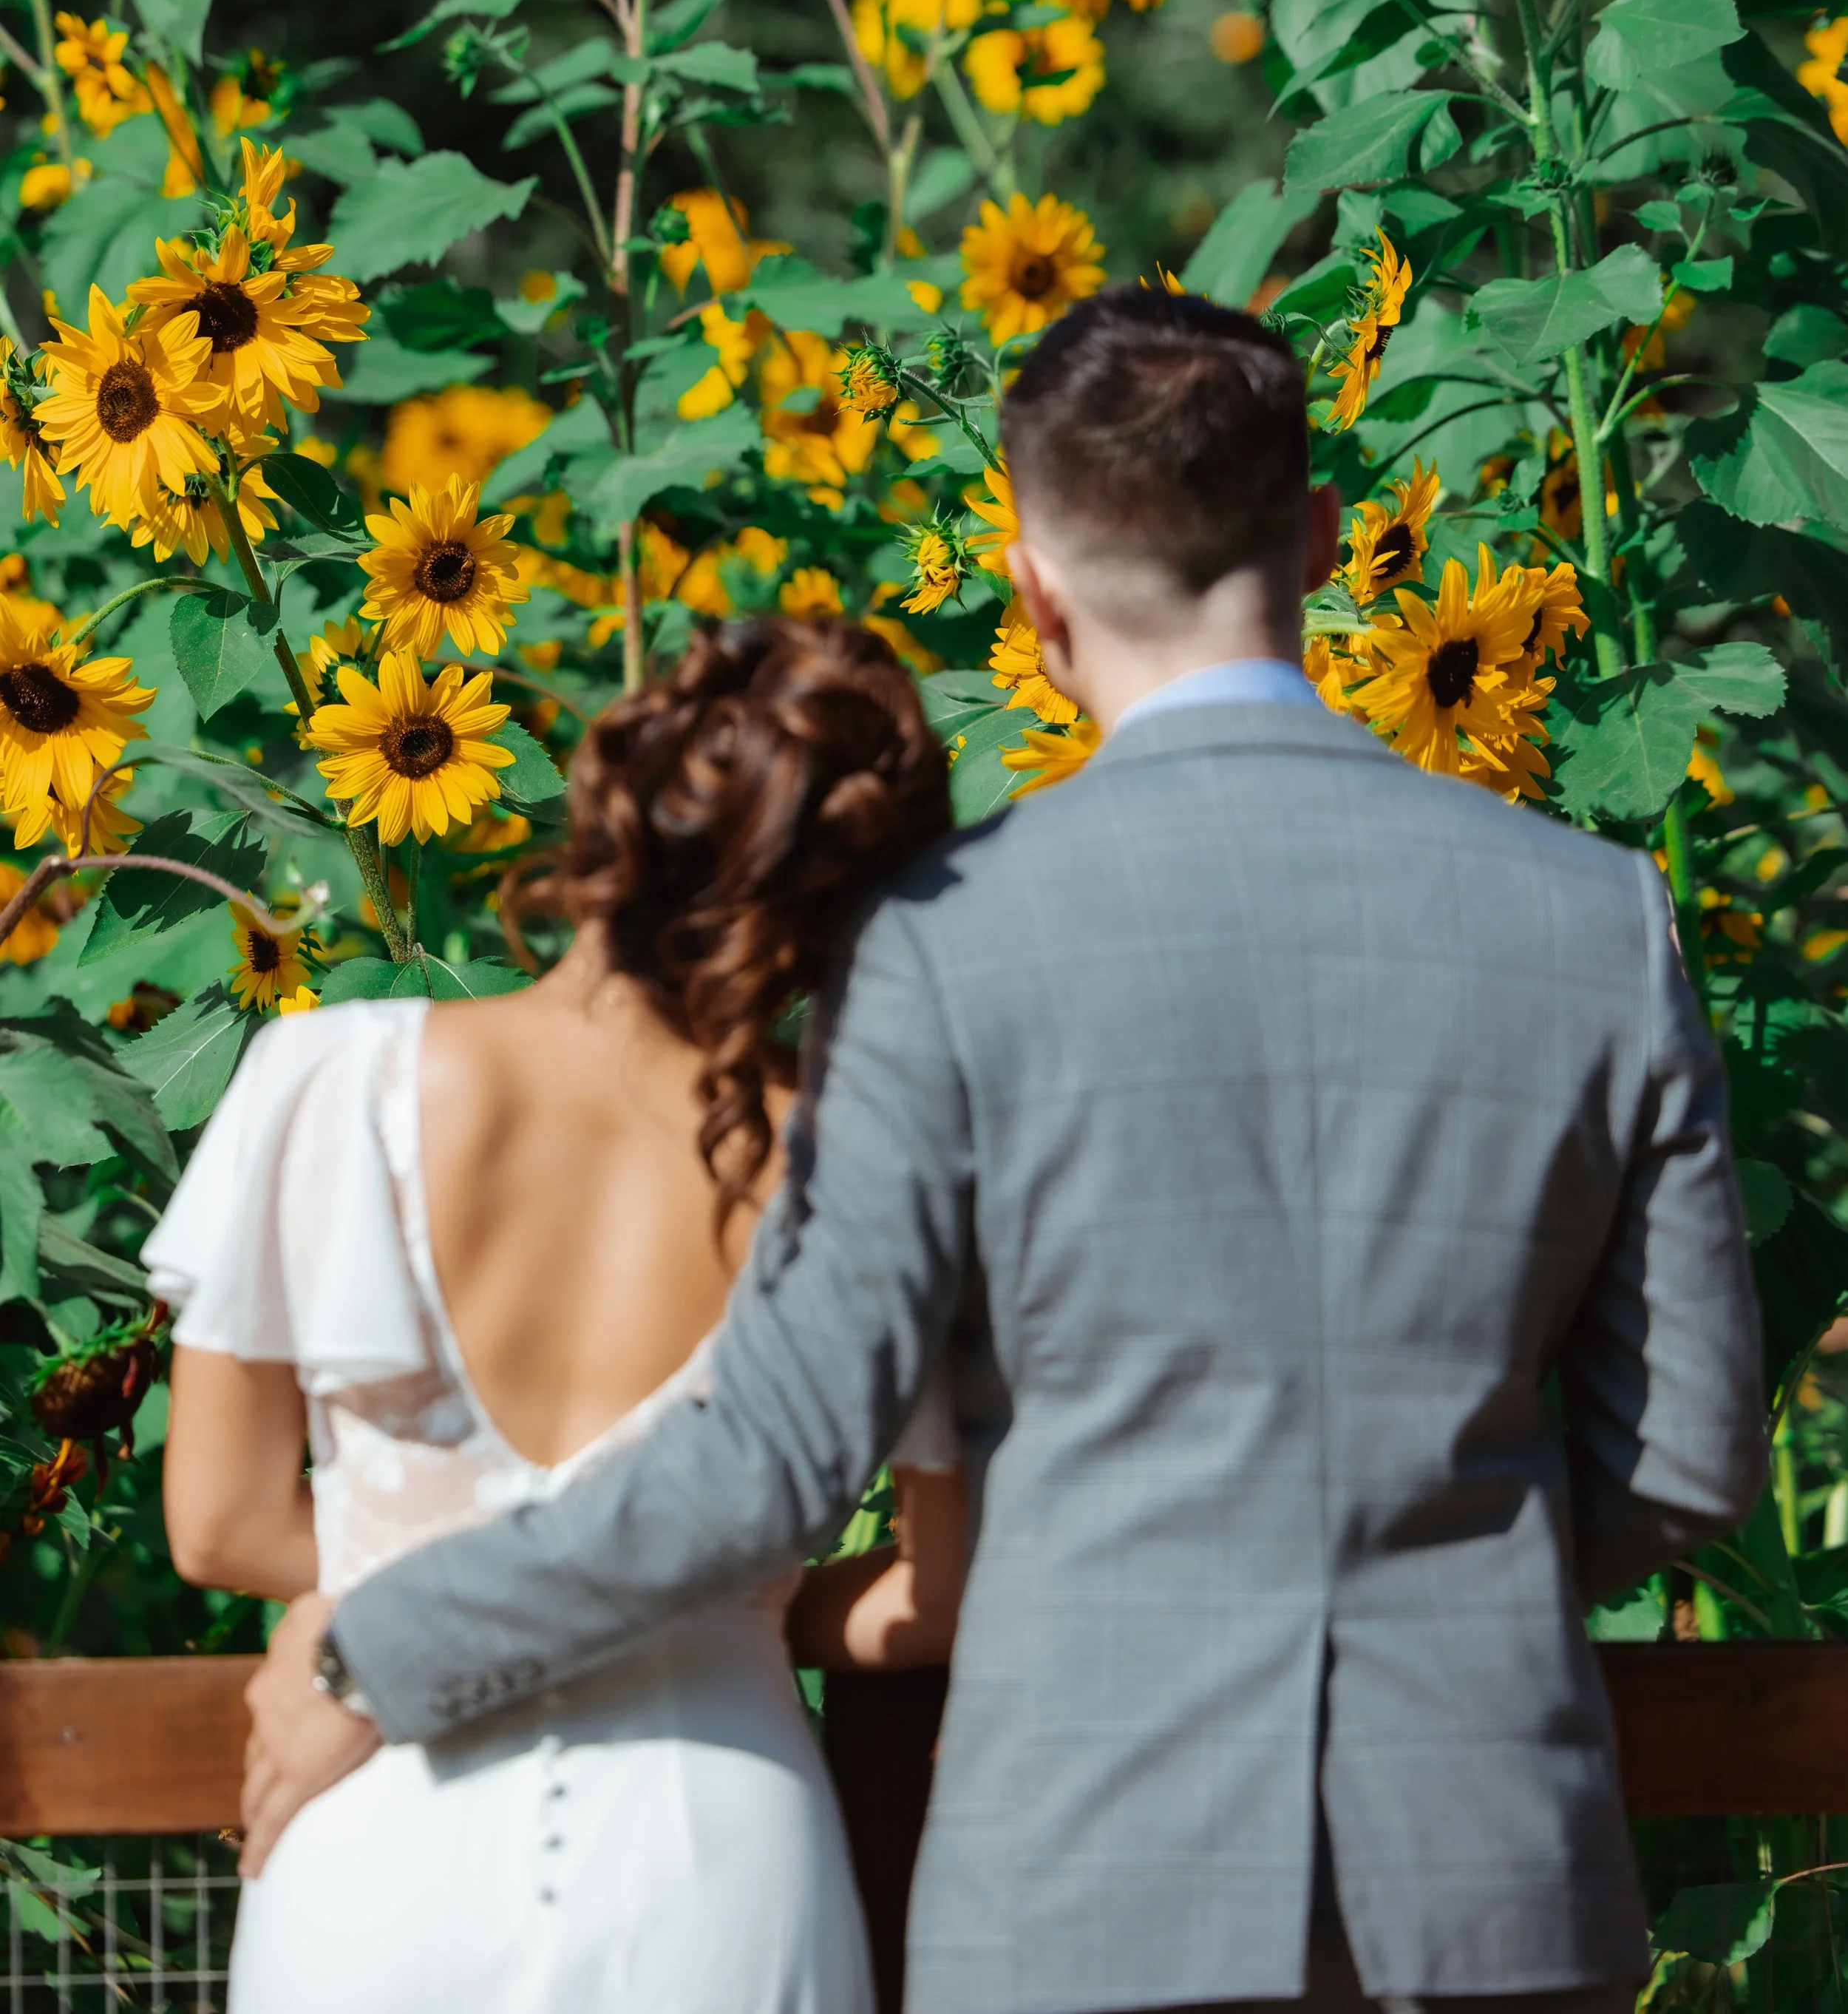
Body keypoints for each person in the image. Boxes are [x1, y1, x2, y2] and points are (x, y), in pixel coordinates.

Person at [240, 285, 1767, 2014]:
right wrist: (1440, 1597)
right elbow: (1684, 1461)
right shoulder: (1596, 921)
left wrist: (385, 1647)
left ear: (1033, 595)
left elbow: (770, 1457)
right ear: (1327, 539)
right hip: (1487, 1876)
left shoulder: (945, 942)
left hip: (1088, 1886)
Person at [148, 614, 965, 2014]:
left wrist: (380, 1597)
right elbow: (939, 1592)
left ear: (607, 808)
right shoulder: (857, 1161)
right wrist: (735, 1601)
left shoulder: (326, 1076)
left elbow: (217, 1524)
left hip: (377, 1829)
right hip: (717, 1856)